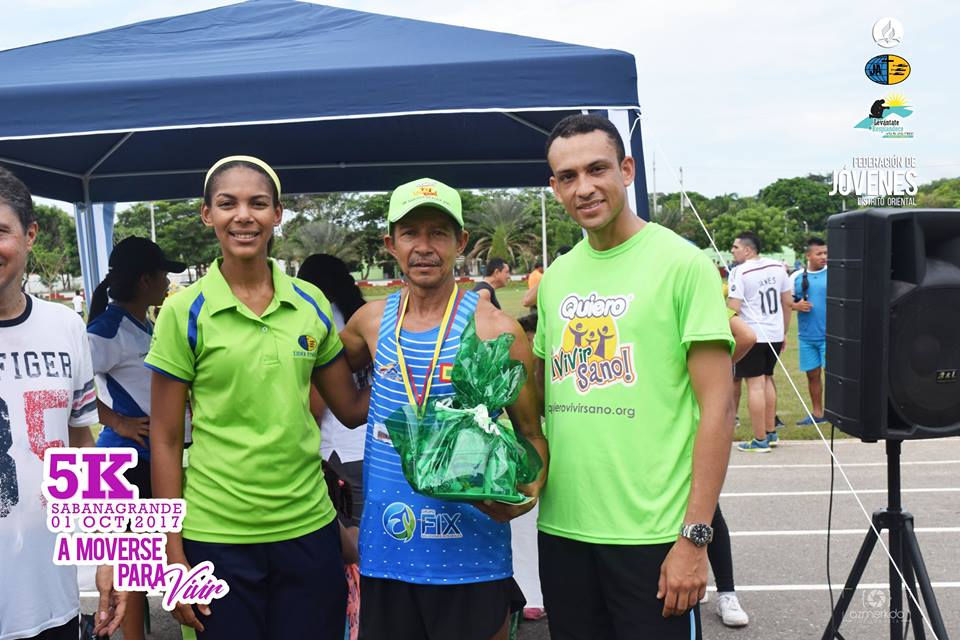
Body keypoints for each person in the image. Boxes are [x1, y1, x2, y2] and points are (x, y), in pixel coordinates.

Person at [145, 156, 369, 640]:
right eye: (228, 204)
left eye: (258, 204)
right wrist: (172, 553)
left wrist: (413, 366)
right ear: (207, 214)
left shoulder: (309, 303)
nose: (243, 216)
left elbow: (351, 410)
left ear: (277, 214)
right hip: (216, 535)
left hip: (307, 526)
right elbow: (164, 439)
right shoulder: (183, 312)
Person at [533, 114, 734, 640]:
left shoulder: (682, 265)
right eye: (568, 177)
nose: (584, 187)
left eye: (596, 169)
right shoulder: (556, 279)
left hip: (654, 536)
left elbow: (719, 408)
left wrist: (695, 537)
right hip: (564, 532)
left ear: (626, 170)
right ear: (555, 188)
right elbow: (541, 397)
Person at [339, 177, 549, 640]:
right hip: (388, 549)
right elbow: (331, 390)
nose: (424, 247)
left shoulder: (497, 329)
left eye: (438, 233)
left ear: (461, 242)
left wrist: (525, 495)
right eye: (410, 233)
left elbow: (531, 433)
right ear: (391, 244)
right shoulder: (369, 323)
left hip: (471, 552)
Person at [0, 166, 125, 639]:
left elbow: (81, 447)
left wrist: (107, 551)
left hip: (50, 602)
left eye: (1, 231)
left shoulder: (66, 328)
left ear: (30, 235)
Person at [85, 236, 185, 640]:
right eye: (163, 274)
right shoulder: (107, 330)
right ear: (145, 279)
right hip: (123, 465)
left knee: (141, 564)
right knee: (130, 566)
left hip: (148, 460)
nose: (168, 283)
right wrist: (120, 422)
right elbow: (71, 387)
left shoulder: (143, 324)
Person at [727, 231, 792, 452]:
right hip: (774, 334)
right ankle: (770, 432)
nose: (732, 251)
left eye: (735, 247)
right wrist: (784, 331)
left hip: (753, 334)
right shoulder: (778, 267)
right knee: (767, 379)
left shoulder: (740, 272)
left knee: (755, 385)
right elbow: (787, 302)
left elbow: (733, 308)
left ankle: (760, 439)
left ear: (747, 250)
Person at [789, 237, 829, 425]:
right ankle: (817, 414)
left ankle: (836, 413)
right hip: (806, 337)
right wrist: (796, 306)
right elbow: (787, 302)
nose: (823, 257)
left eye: (825, 253)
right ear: (808, 255)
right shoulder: (796, 277)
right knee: (812, 376)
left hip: (830, 336)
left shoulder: (834, 274)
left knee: (834, 377)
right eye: (819, 253)